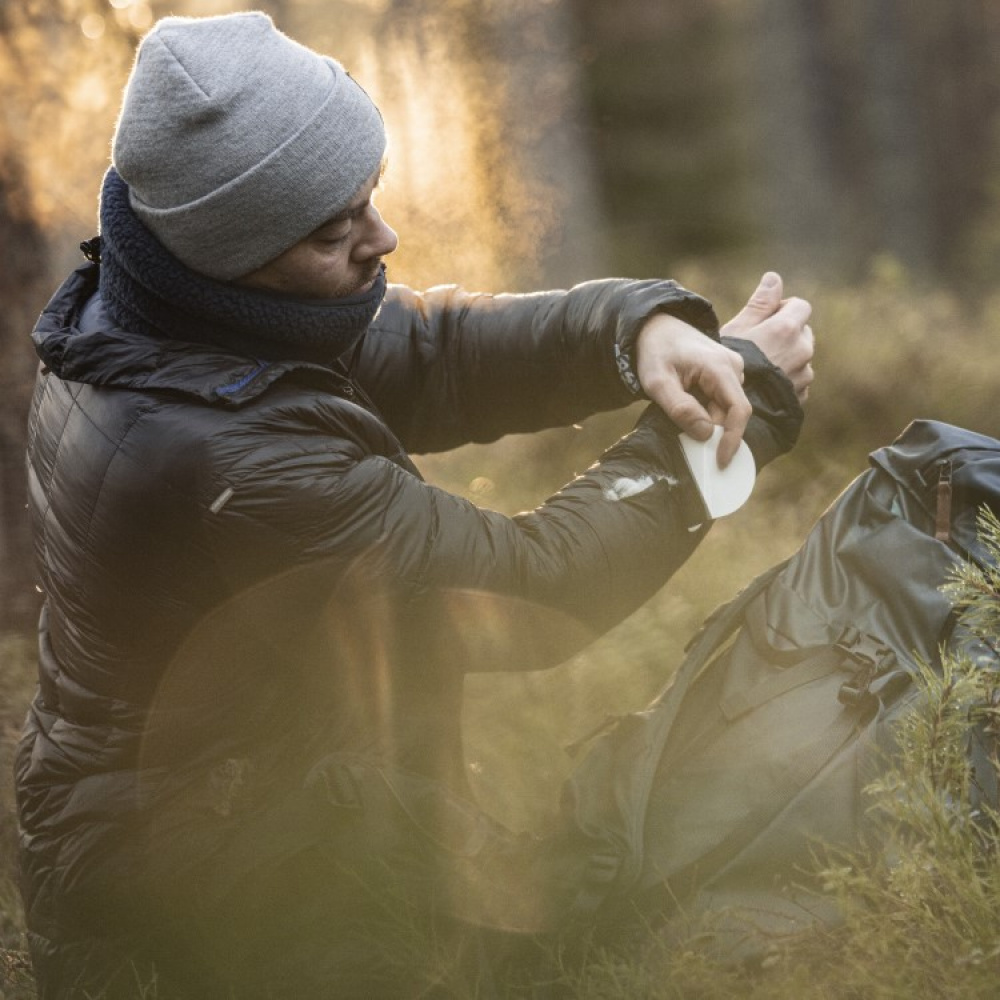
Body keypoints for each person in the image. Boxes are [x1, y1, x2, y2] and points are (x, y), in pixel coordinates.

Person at [15, 11, 814, 999]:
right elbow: (533, 589)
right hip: (192, 889)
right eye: (333, 226)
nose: (380, 237)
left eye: (369, 198)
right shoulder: (236, 460)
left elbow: (428, 355)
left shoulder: (170, 304)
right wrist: (736, 419)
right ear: (236, 245)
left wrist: (635, 329)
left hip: (233, 800)